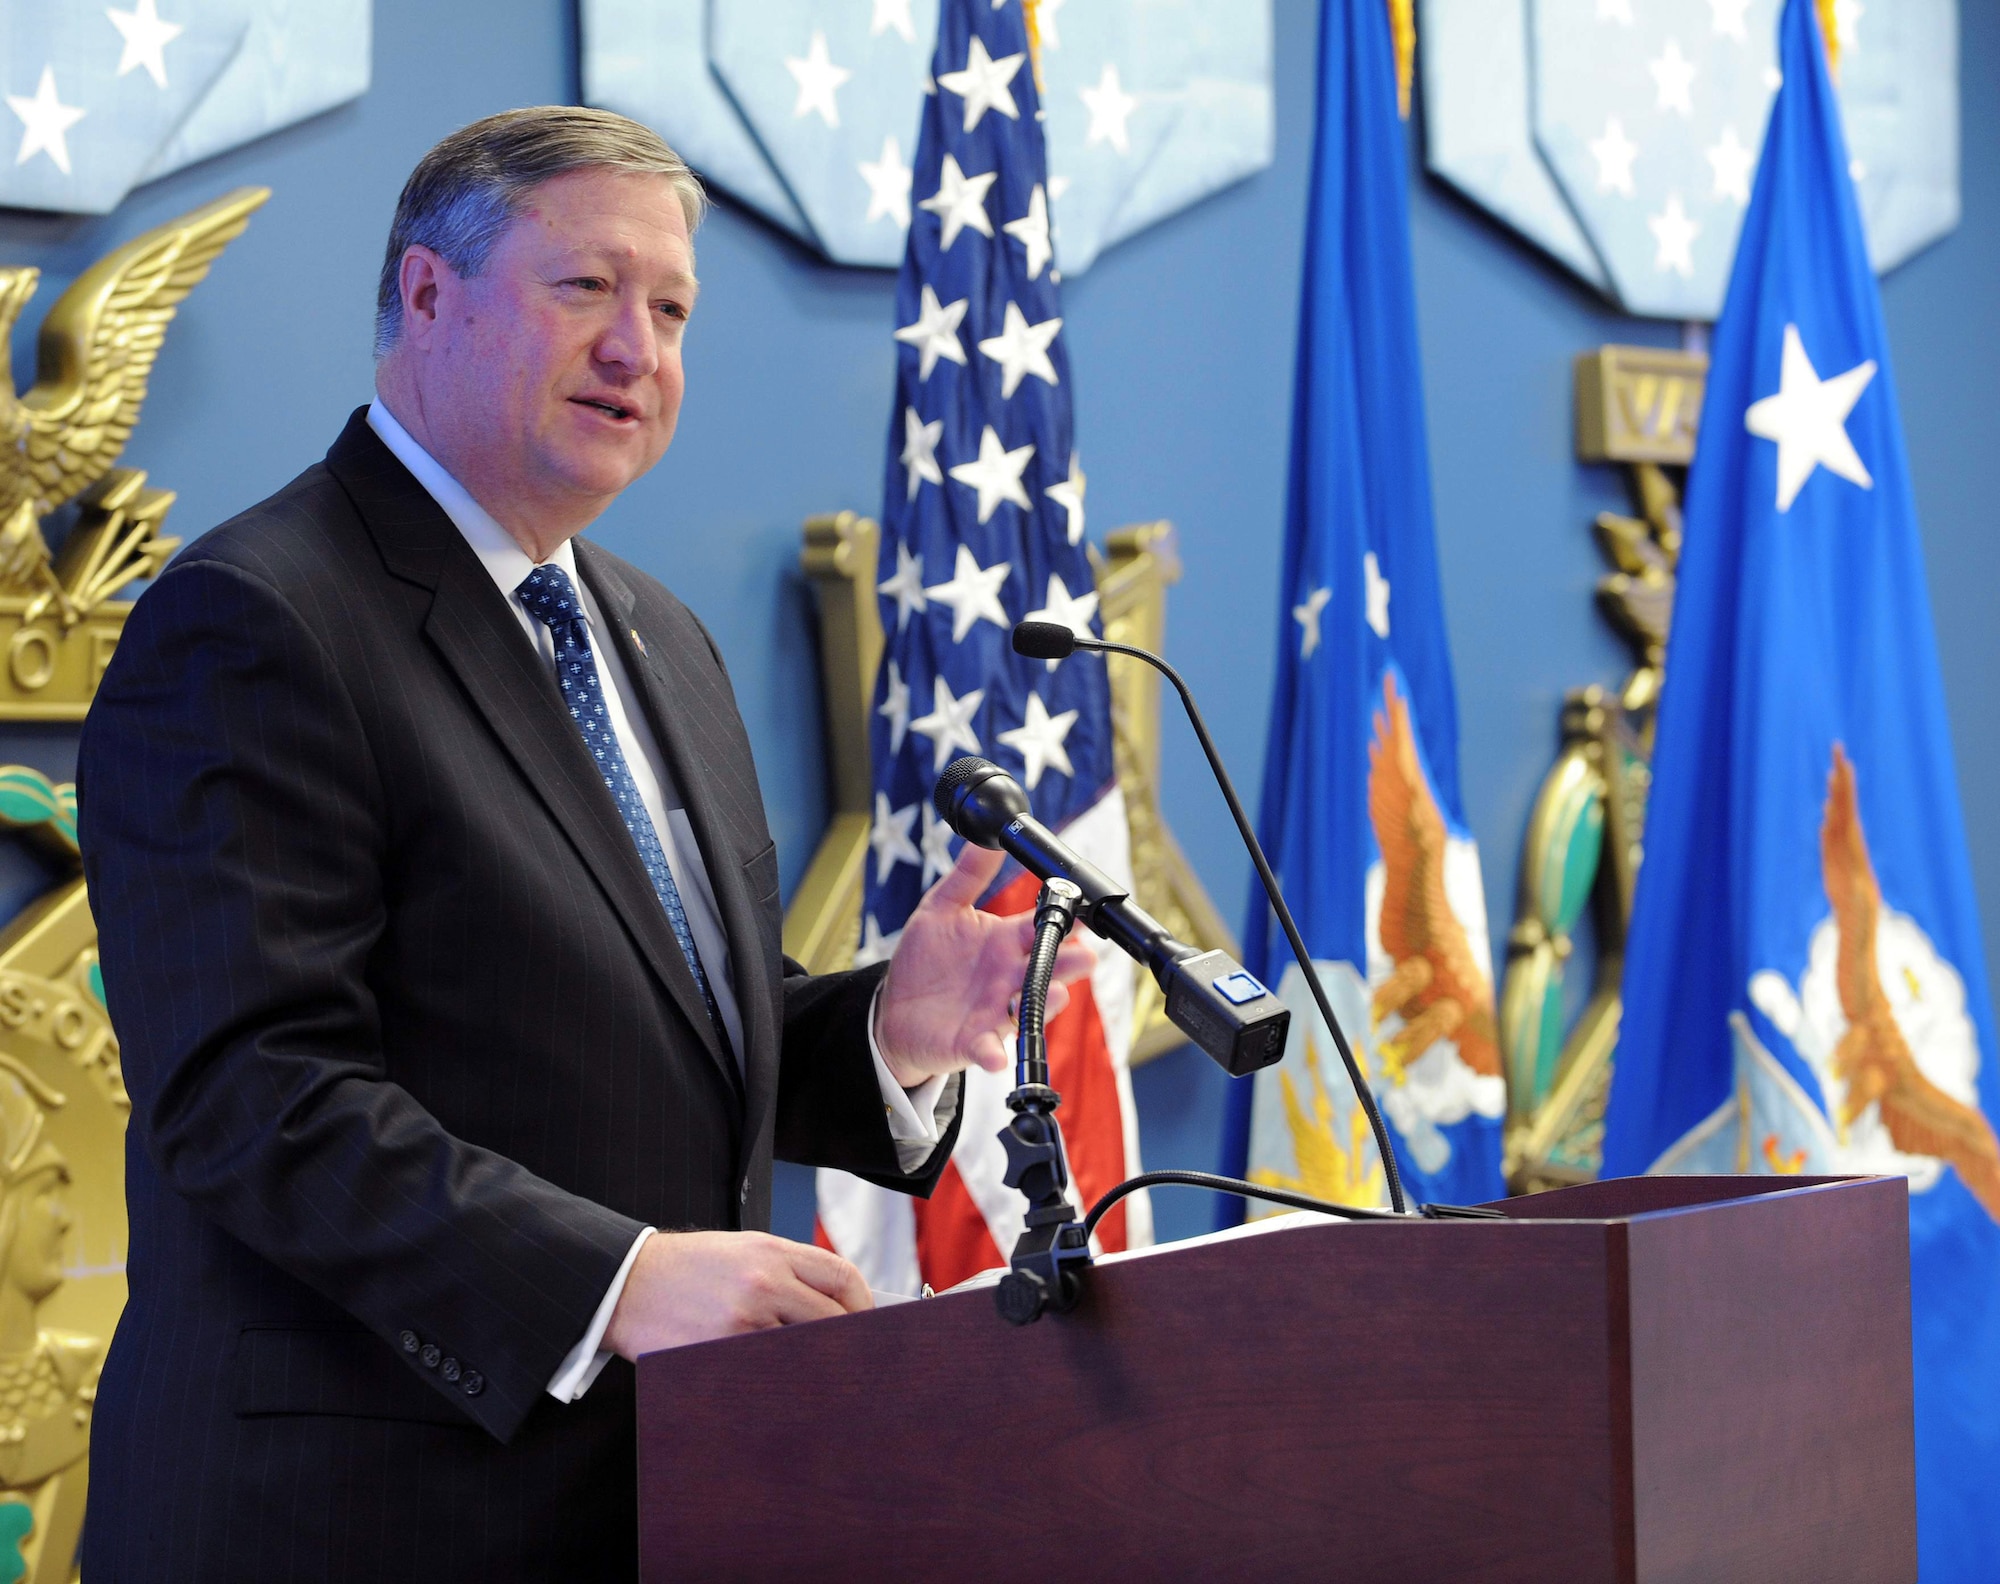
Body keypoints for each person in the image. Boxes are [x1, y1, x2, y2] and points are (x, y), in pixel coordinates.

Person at [75, 107, 1090, 1581]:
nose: (639, 347)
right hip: (350, 1523)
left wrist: (890, 1027)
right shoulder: (258, 617)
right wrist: (615, 1284)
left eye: (671, 308)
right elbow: (251, 1096)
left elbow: (644, 1054)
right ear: (427, 294)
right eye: (586, 290)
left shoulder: (655, 636)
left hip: (656, 1500)